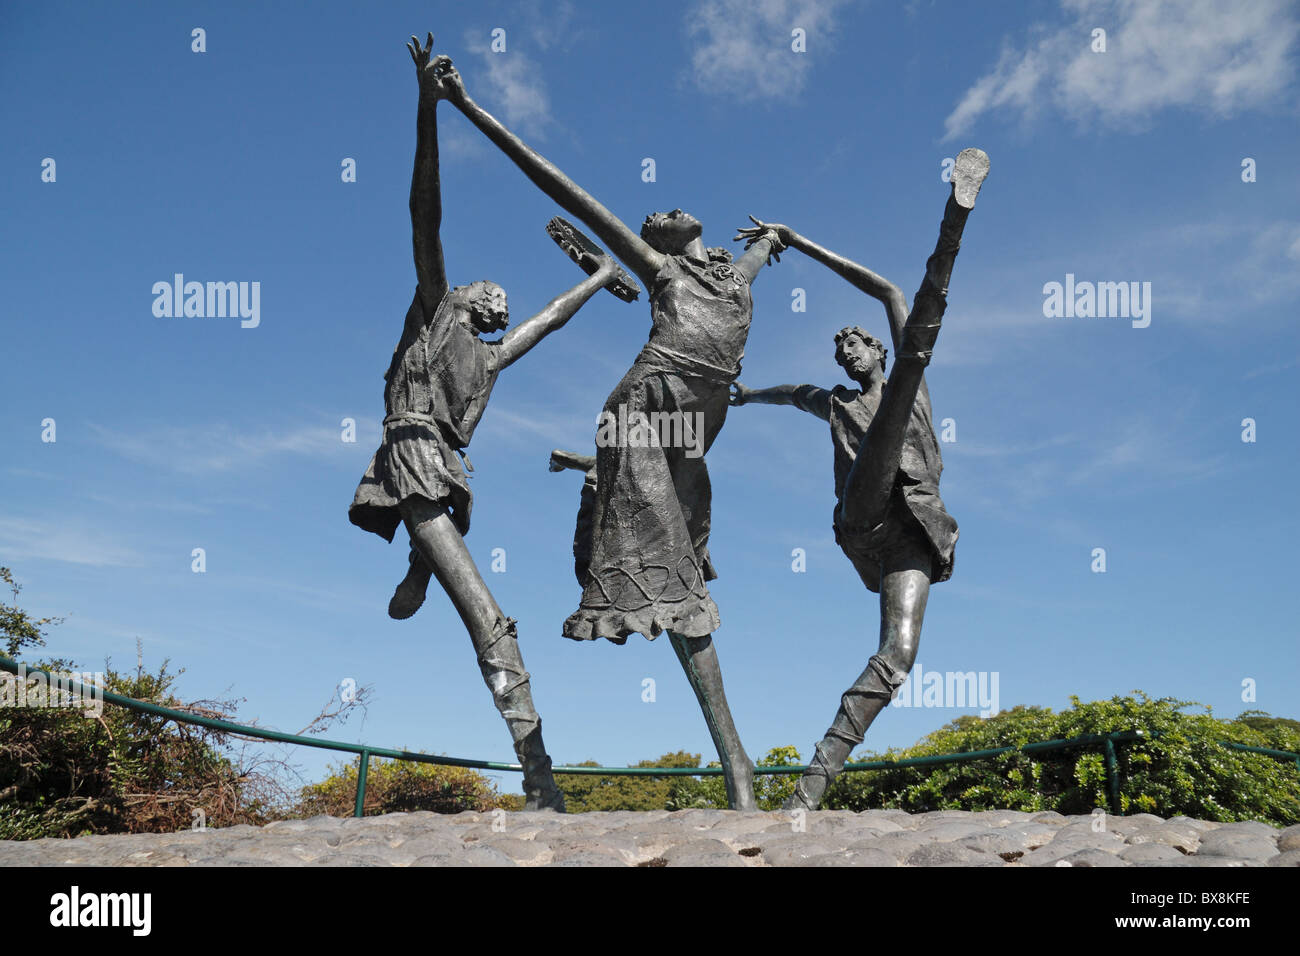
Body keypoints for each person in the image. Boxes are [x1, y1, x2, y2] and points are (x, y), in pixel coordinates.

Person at [437, 48, 788, 810]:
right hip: (639, 412)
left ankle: (737, 766)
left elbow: (765, 250)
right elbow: (558, 181)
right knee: (679, 584)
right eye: (653, 219)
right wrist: (467, 108)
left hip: (697, 423)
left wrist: (774, 238)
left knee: (689, 566)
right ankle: (739, 771)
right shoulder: (662, 272)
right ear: (653, 242)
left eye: (668, 212)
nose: (660, 214)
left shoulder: (734, 278)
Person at [348, 35, 623, 811]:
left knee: (453, 564)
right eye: (488, 290)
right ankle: (540, 778)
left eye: (503, 300)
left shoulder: (491, 359)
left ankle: (418, 558)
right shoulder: (435, 313)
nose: (499, 300)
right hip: (408, 454)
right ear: (463, 293)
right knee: (489, 616)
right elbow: (424, 215)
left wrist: (600, 280)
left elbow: (552, 321)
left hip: (443, 465)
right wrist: (427, 109)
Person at [730, 148, 989, 809]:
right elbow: (792, 393)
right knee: (898, 392)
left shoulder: (908, 375)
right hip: (862, 512)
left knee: (898, 656)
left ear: (875, 348)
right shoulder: (838, 402)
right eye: (839, 350)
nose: (847, 354)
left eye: (856, 345)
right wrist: (745, 394)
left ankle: (811, 789)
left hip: (914, 532)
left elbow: (891, 294)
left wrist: (796, 238)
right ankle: (953, 223)